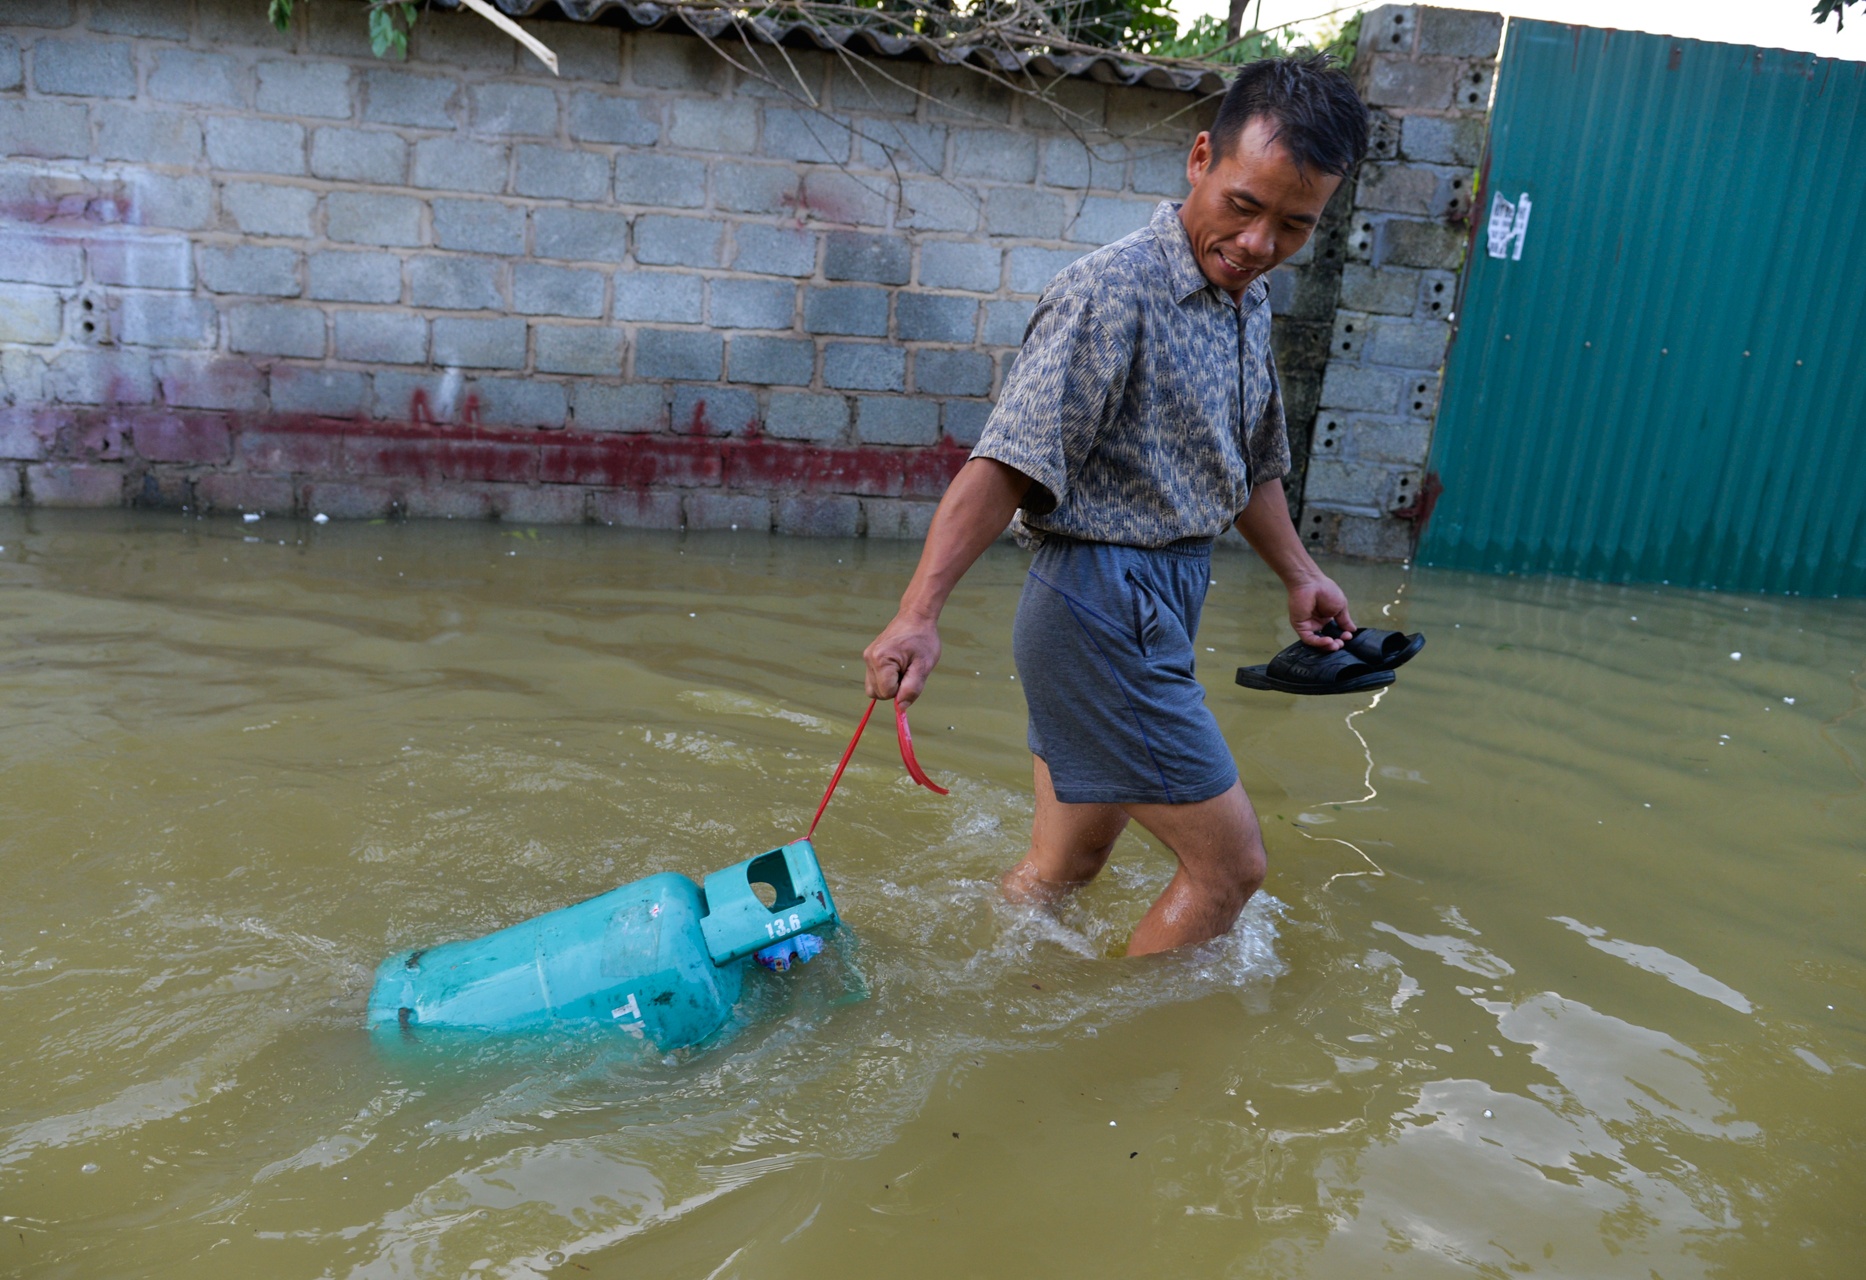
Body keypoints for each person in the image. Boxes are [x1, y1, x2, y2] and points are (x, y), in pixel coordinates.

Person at [861, 55, 1371, 955]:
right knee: (1231, 870)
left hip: (1160, 599)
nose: (1259, 244)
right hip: (1102, 606)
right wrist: (917, 615)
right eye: (1244, 207)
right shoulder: (1112, 291)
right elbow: (1005, 464)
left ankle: (999, 1001)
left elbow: (1249, 466)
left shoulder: (1248, 301)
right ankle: (1125, 1058)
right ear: (1201, 158)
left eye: (1295, 226)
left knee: (1066, 866)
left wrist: (1300, 574)